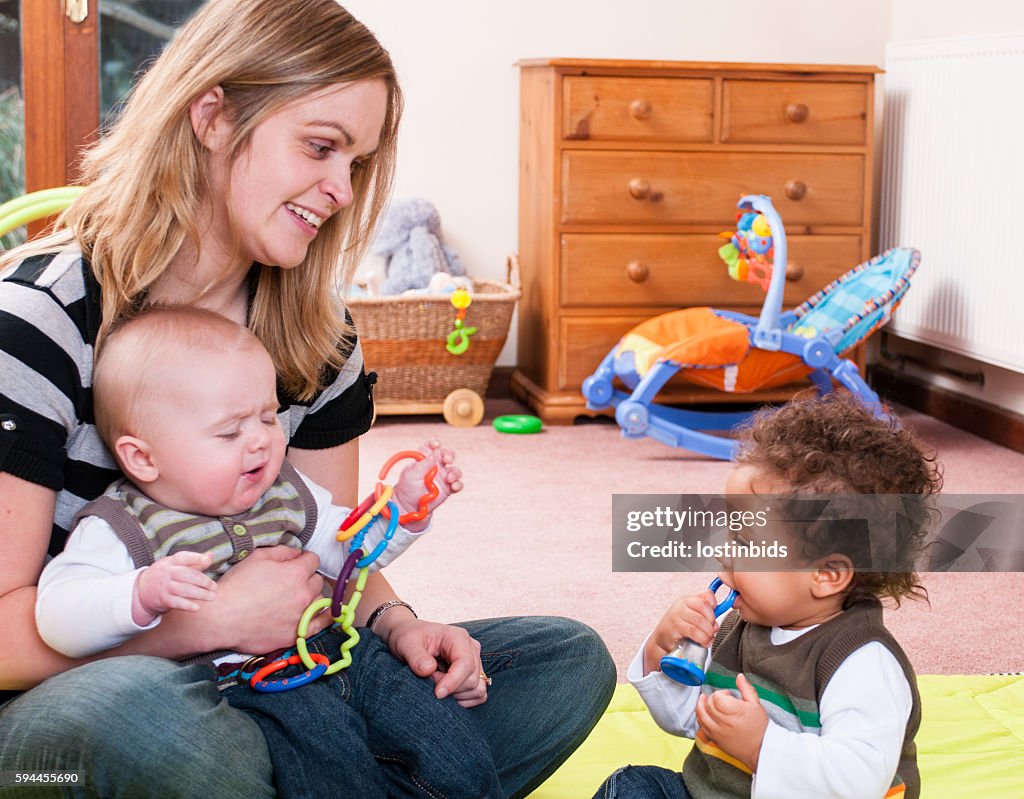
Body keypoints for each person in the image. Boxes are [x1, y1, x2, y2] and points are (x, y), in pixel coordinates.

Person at [0, 1, 615, 796]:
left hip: (284, 684)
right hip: (75, 708)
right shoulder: (37, 318)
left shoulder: (321, 339)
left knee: (565, 660)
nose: (342, 190)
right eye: (322, 147)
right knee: (155, 721)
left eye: (356, 162)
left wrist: (400, 623)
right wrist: (207, 624)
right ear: (212, 116)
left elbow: (325, 552)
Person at [34, 304, 493, 798]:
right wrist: (139, 596)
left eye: (269, 417)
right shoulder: (120, 527)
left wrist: (401, 509)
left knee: (452, 743)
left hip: (345, 657)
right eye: (230, 431)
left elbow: (347, 555)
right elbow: (57, 616)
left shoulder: (286, 490)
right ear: (143, 457)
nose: (260, 442)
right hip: (254, 688)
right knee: (332, 764)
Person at [594, 392, 942, 799]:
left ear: (826, 574)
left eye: (745, 542)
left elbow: (858, 783)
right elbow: (689, 721)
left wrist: (761, 746)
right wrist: (662, 650)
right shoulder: (744, 625)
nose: (724, 552)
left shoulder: (863, 664)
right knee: (632, 786)